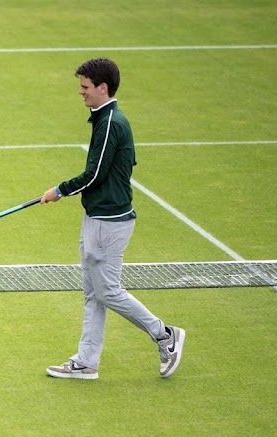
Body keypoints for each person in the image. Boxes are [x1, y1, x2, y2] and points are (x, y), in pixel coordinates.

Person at [40, 57, 185, 380]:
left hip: (111, 221)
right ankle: (86, 362)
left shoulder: (111, 124)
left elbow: (95, 175)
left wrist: (59, 190)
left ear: (102, 88)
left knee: (107, 291)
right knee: (94, 293)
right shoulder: (102, 120)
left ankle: (165, 335)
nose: (81, 92)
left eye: (85, 87)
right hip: (97, 216)